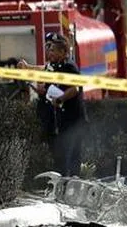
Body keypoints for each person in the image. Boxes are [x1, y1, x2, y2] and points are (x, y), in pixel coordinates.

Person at [17, 34, 86, 177]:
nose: (50, 53)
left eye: (53, 50)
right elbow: (44, 68)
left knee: (71, 155)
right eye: (49, 50)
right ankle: (62, 184)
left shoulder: (69, 67)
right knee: (60, 154)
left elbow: (74, 89)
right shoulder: (54, 65)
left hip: (73, 119)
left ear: (62, 52)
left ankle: (73, 184)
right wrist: (28, 67)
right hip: (60, 119)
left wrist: (60, 99)